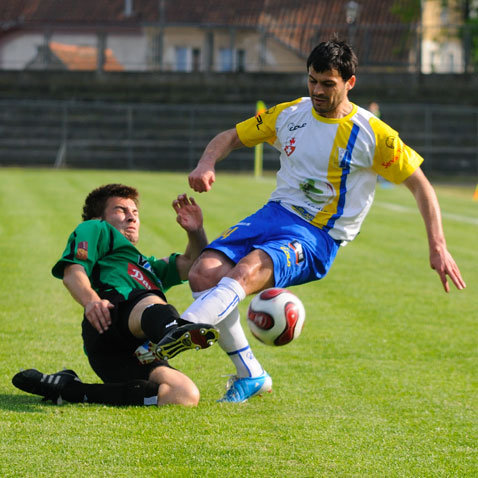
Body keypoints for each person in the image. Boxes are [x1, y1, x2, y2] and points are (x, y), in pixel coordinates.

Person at [180, 39, 466, 403]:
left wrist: (438, 246)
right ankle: (250, 373)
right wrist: (207, 163)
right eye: (312, 80)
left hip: (319, 234)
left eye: (327, 84)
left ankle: (180, 328)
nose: (317, 90)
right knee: (202, 273)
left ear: (350, 83)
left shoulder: (373, 135)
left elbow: (420, 185)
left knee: (247, 270)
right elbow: (232, 136)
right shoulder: (289, 114)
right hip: (275, 213)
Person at [12, 184, 219, 407]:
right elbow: (73, 271)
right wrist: (91, 300)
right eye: (121, 210)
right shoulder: (95, 228)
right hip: (109, 319)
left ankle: (70, 389)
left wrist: (196, 231)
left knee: (184, 394)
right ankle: (170, 329)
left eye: (135, 212)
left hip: (122, 353)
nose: (131, 217)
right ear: (98, 216)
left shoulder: (147, 266)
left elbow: (193, 265)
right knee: (150, 300)